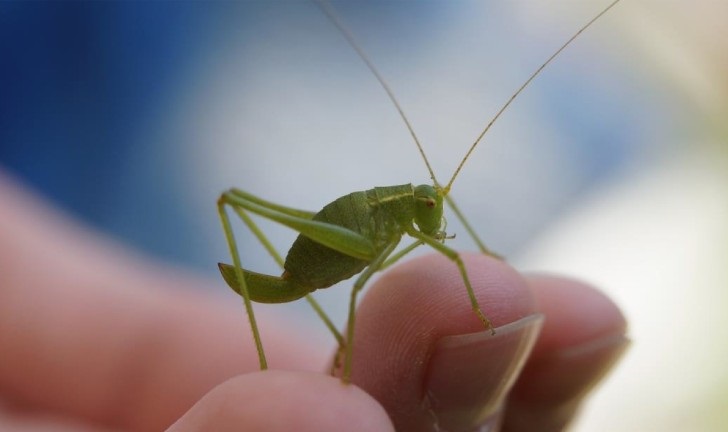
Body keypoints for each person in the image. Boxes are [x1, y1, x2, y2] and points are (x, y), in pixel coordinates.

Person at [0, 170, 627, 432]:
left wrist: (481, 258)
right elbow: (359, 283)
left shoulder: (417, 211)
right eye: (429, 210)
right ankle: (274, 374)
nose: (435, 217)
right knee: (351, 282)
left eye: (435, 209)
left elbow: (447, 236)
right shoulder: (391, 219)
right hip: (328, 253)